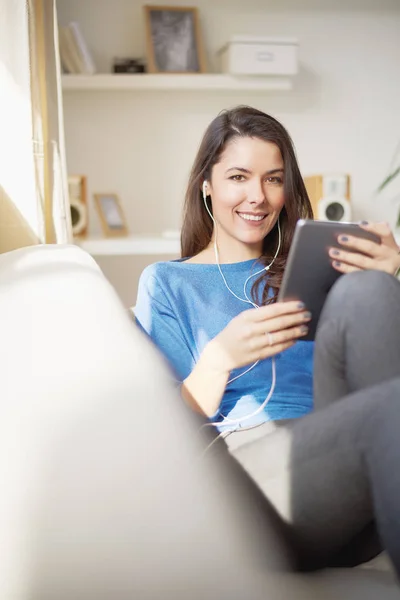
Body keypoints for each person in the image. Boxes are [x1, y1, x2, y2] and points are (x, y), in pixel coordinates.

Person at [134, 105, 400, 571]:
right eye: (239, 176)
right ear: (207, 185)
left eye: (274, 179)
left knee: (371, 288)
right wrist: (219, 359)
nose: (258, 196)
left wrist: (393, 276)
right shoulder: (168, 283)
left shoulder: (317, 267)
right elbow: (160, 433)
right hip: (257, 481)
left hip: (351, 472)